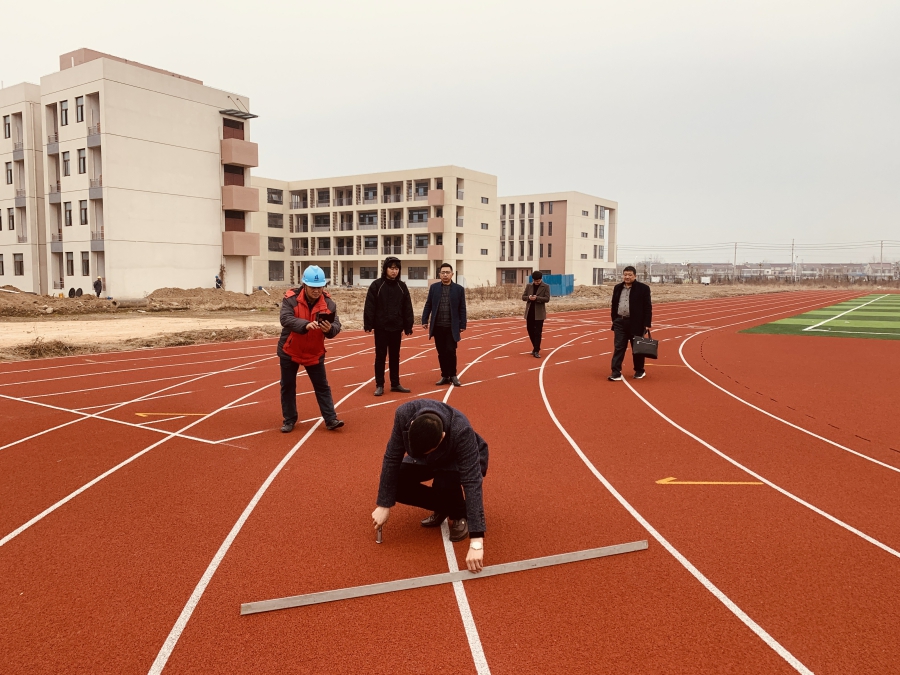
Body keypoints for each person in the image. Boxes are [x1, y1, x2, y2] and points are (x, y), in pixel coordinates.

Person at [371, 400, 488, 573]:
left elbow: (472, 482)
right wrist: (384, 504)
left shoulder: (461, 430)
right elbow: (392, 457)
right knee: (395, 483)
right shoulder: (404, 414)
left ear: (441, 437)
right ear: (411, 426)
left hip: (456, 459)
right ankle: (448, 505)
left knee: (447, 483)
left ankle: (460, 514)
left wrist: (477, 543)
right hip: (427, 458)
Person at [277, 265, 344, 432]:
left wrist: (330, 329)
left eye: (320, 287)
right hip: (290, 350)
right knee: (288, 386)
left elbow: (336, 325)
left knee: (322, 386)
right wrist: (305, 325)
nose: (316, 291)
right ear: (304, 285)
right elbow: (285, 319)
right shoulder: (290, 299)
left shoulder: (329, 303)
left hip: (314, 351)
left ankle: (330, 419)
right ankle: (289, 419)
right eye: (313, 287)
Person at [363, 256, 414, 397]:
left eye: (396, 268)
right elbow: (369, 306)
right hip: (381, 328)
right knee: (380, 356)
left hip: (396, 328)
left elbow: (407, 307)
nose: (394, 271)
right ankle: (379, 385)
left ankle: (395, 383)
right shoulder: (376, 286)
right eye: (391, 268)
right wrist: (368, 323)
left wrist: (408, 325)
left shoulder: (402, 286)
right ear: (385, 269)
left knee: (394, 357)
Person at [422, 263, 467, 387]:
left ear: (452, 274)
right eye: (443, 272)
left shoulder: (459, 289)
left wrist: (463, 324)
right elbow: (428, 304)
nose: (445, 275)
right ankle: (444, 375)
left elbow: (462, 307)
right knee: (441, 352)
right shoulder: (434, 288)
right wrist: (424, 319)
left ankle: (453, 375)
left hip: (451, 327)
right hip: (437, 326)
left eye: (448, 272)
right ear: (439, 274)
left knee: (450, 351)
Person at [608, 265, 653, 381]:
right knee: (619, 347)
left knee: (637, 348)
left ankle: (639, 370)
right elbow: (614, 304)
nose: (627, 277)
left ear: (635, 276)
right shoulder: (617, 288)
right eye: (625, 274)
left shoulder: (643, 289)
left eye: (629, 275)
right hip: (620, 322)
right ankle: (616, 372)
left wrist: (647, 322)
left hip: (636, 323)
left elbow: (647, 307)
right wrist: (614, 319)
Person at [522, 270, 551, 358]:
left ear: (541, 279)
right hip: (530, 312)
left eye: (538, 281)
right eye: (535, 281)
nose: (537, 282)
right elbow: (523, 297)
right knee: (530, 330)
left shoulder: (546, 286)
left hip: (539, 313)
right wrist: (529, 298)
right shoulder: (529, 286)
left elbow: (547, 299)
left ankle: (536, 350)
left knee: (538, 332)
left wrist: (537, 298)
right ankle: (535, 347)